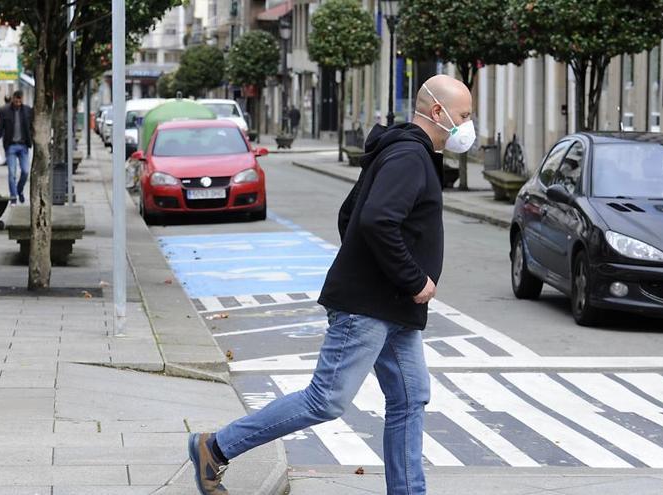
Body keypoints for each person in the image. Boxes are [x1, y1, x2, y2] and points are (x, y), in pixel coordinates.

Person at [187, 75, 474, 495]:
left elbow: (350, 215)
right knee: (327, 400)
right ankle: (216, 446)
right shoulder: (409, 157)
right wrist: (411, 279)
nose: (468, 125)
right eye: (464, 116)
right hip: (373, 305)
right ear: (438, 112)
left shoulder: (402, 151)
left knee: (411, 399)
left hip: (391, 306)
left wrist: (382, 275)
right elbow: (375, 220)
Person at [0, 90, 34, 204]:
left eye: (20, 100)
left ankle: (19, 190)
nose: (18, 102)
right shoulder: (4, 111)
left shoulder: (27, 110)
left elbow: (32, 126)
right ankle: (13, 197)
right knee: (12, 173)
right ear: (13, 99)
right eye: (16, 100)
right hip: (10, 146)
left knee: (25, 172)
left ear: (22, 99)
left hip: (23, 145)